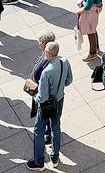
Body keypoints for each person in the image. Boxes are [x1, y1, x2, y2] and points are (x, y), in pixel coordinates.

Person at [26, 39, 69, 169]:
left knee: (38, 130)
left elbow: (43, 97)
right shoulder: (65, 61)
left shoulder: (46, 72)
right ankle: (55, 158)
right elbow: (69, 80)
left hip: (46, 105)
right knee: (56, 126)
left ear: (48, 53)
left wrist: (34, 95)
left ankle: (39, 162)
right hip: (60, 99)